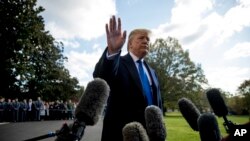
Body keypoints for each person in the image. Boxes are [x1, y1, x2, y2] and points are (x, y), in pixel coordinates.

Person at [93, 15, 163, 141]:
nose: (146, 41)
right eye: (141, 38)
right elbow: (101, 77)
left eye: (148, 39)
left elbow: (158, 103)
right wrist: (112, 51)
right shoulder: (117, 62)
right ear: (130, 43)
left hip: (151, 135)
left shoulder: (152, 72)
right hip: (121, 134)